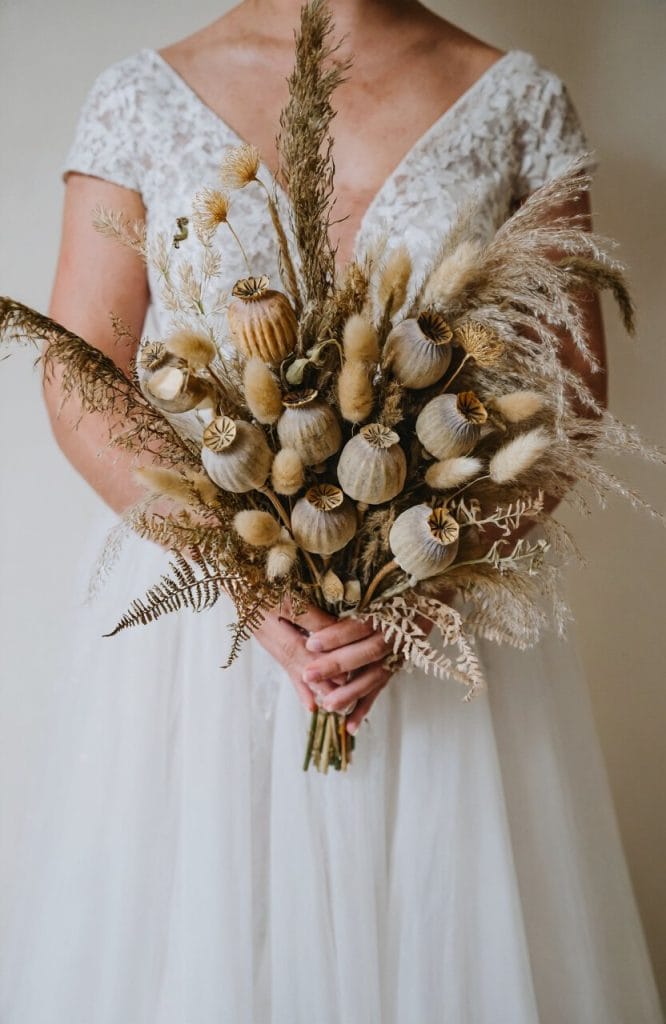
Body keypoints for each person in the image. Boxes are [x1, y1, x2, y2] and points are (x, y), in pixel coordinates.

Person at [1, 0, 662, 1020]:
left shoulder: (519, 100)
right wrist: (230, 572)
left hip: (441, 622)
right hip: (202, 639)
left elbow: (567, 392)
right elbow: (82, 368)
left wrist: (419, 587)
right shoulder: (140, 96)